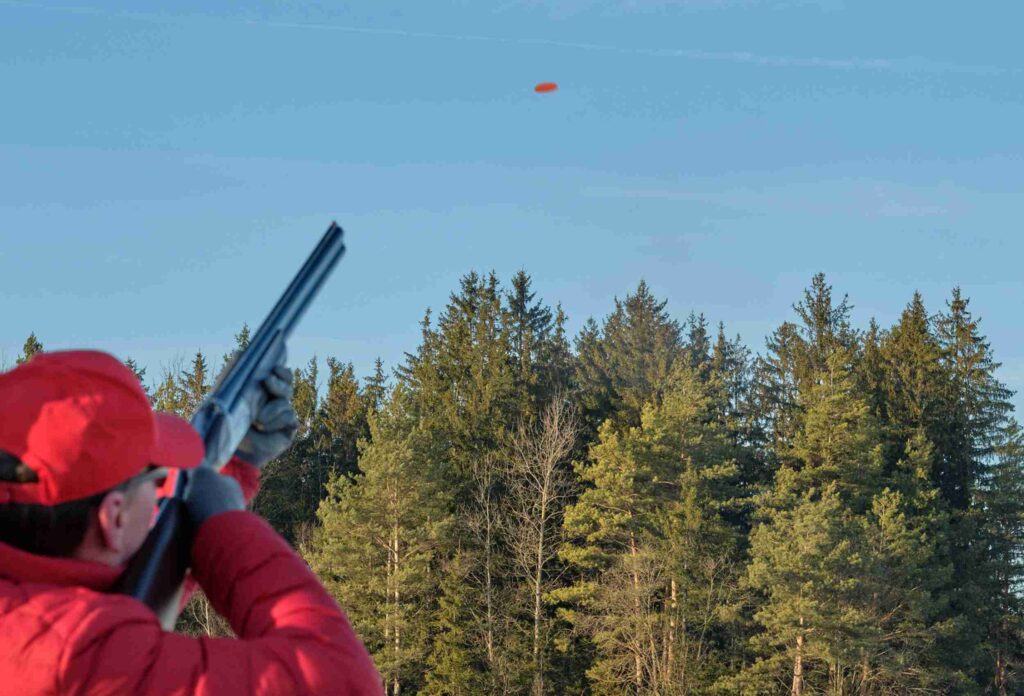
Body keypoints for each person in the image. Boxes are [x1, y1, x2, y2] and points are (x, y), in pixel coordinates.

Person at [0, 350, 383, 695]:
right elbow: (339, 681)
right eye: (156, 478)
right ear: (113, 517)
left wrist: (235, 467)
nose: (164, 486)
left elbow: (121, 599)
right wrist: (223, 527)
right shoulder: (70, 655)